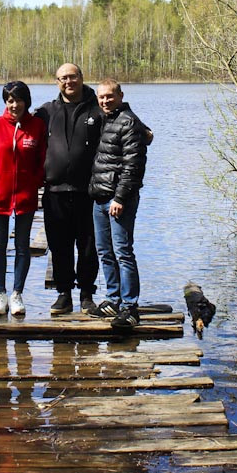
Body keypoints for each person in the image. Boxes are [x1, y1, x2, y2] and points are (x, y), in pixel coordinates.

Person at [33, 64, 103, 315]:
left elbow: (123, 122)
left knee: (88, 245)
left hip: (90, 192)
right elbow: (18, 121)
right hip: (55, 192)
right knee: (59, 244)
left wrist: (144, 132)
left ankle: (86, 295)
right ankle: (64, 294)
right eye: (63, 78)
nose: (68, 81)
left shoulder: (99, 108)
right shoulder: (46, 112)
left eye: (73, 76)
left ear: (82, 78)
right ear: (57, 82)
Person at [0, 81, 47, 317]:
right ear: (5, 102)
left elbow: (42, 161)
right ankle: (0, 295)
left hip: (26, 198)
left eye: (18, 100)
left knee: (22, 246)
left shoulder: (36, 126)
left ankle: (17, 295)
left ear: (27, 101)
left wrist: (35, 183)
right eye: (10, 100)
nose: (14, 105)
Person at [87, 79, 148, 330]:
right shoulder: (106, 119)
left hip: (118, 200)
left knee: (123, 252)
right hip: (100, 197)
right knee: (105, 252)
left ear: (120, 95)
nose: (105, 101)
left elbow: (133, 165)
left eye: (109, 96)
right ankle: (113, 299)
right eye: (101, 97)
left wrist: (120, 198)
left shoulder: (128, 122)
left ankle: (130, 307)